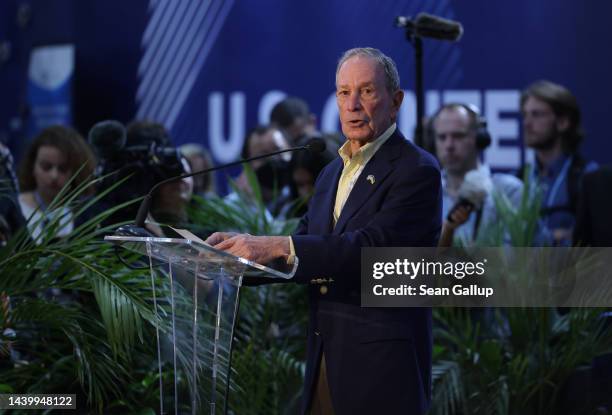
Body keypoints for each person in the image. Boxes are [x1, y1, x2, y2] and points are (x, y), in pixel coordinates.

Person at [206, 47, 441, 414]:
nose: (353, 105)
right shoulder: (332, 172)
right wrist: (230, 260)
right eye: (344, 92)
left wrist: (276, 245)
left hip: (381, 370)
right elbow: (304, 249)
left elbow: (370, 249)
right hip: (324, 362)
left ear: (395, 101)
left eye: (366, 91)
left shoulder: (416, 170)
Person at [432, 103, 523, 246]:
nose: (449, 145)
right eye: (442, 137)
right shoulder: (424, 192)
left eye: (458, 136)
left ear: (480, 139)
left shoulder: (509, 191)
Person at [520, 80, 597, 245]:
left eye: (536, 114)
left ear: (563, 122)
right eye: (525, 115)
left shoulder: (588, 177)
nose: (526, 123)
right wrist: (556, 236)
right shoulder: (518, 179)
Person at [18, 125, 96, 242]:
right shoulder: (16, 208)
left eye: (63, 168)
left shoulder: (87, 214)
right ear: (32, 167)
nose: (54, 176)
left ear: (76, 170)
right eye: (46, 167)